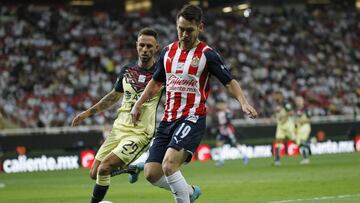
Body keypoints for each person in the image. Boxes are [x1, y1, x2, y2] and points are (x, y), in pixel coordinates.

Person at [130, 4, 257, 203]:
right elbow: (155, 83)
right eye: (181, 29)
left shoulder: (207, 54)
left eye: (189, 30)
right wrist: (138, 104)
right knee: (151, 173)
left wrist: (243, 102)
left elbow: (229, 81)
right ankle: (189, 192)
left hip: (192, 118)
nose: (184, 34)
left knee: (169, 165)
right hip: (168, 120)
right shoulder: (167, 52)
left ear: (200, 28)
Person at [71, 27, 163, 203]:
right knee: (94, 173)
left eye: (149, 46)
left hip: (140, 133)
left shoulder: (161, 72)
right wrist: (87, 113)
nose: (145, 49)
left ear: (156, 48)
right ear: (136, 45)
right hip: (118, 129)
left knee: (104, 168)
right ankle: (132, 168)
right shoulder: (127, 70)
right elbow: (113, 96)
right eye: (142, 45)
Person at [214, 102, 249, 166]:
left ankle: (245, 156)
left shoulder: (227, 112)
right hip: (222, 131)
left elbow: (228, 120)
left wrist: (224, 126)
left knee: (235, 144)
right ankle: (221, 160)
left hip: (228, 131)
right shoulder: (219, 113)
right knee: (219, 144)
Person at [273, 92, 295, 166]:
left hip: (287, 124)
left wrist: (285, 117)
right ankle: (277, 160)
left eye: (276, 95)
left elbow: (291, 112)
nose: (274, 97)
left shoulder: (285, 103)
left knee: (295, 140)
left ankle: (309, 143)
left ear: (280, 96)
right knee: (278, 141)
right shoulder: (276, 104)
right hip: (280, 125)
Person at [294, 96, 311, 164]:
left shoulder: (306, 109)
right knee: (299, 143)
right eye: (297, 100)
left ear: (303, 101)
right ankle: (310, 142)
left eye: (300, 100)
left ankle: (306, 158)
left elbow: (309, 119)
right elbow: (296, 120)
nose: (298, 102)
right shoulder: (296, 110)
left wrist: (302, 122)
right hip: (299, 128)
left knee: (301, 141)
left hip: (305, 126)